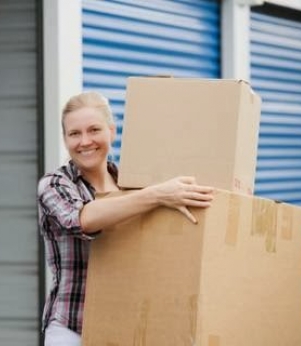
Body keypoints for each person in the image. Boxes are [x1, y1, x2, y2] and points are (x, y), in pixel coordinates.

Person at [37, 91, 214, 346]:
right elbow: (81, 219)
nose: (85, 141)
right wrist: (157, 195)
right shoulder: (54, 184)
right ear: (65, 139)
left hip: (125, 326)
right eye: (74, 133)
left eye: (94, 130)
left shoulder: (131, 183)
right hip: (73, 329)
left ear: (112, 131)